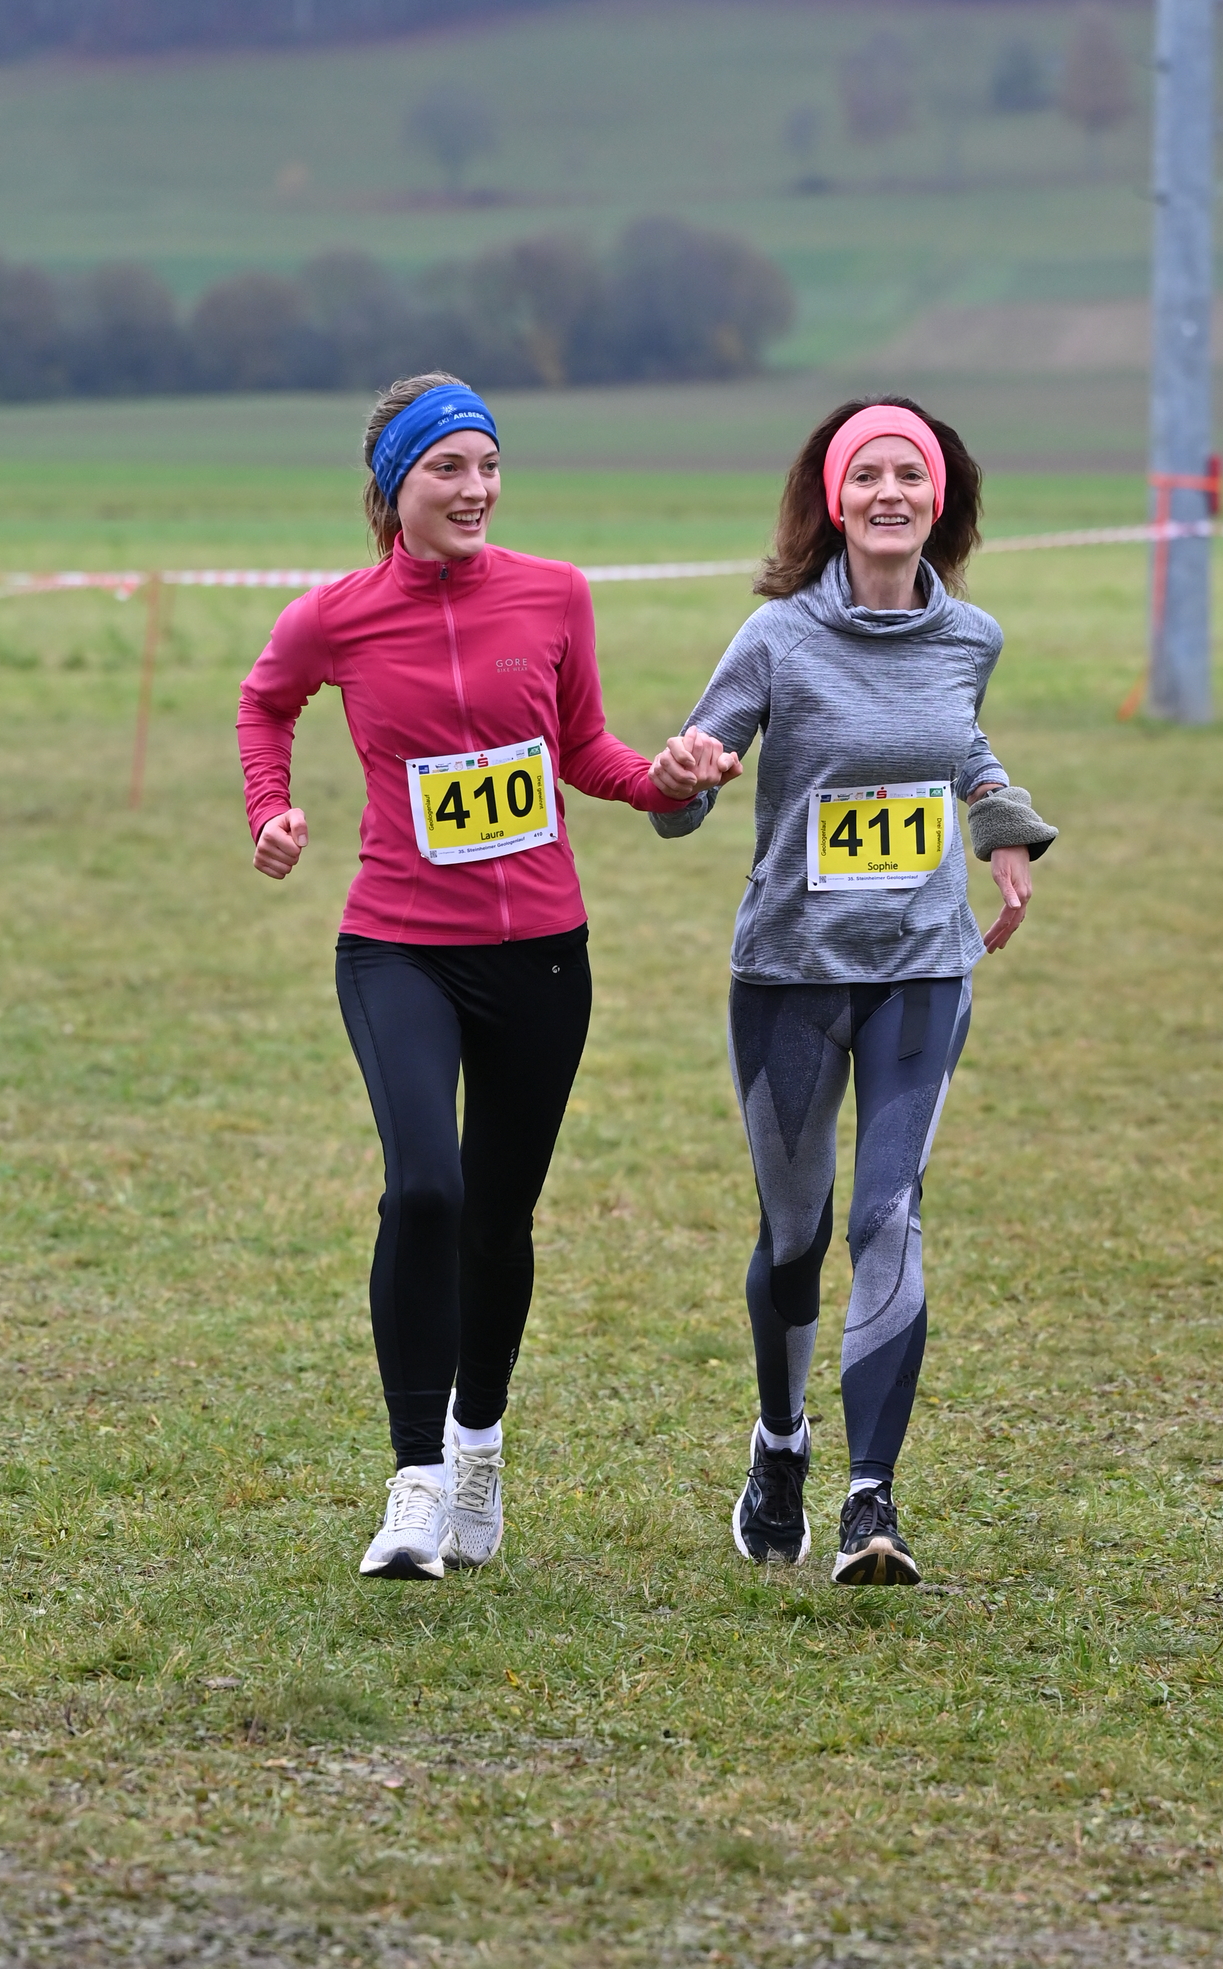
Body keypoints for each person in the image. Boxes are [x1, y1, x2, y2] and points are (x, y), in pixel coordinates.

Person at [237, 373, 732, 1580]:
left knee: (498, 1219)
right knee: (424, 1192)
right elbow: (265, 701)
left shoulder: (555, 593)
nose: (475, 490)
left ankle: (476, 1446)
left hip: (541, 954)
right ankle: (413, 1484)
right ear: (393, 486)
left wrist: (664, 782)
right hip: (398, 945)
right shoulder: (334, 617)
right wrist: (271, 809)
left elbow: (582, 749)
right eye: (447, 469)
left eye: (489, 466)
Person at [652, 397, 1056, 1586]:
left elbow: (954, 742)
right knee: (796, 1233)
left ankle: (870, 1503)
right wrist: (684, 776)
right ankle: (779, 1445)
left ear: (939, 498)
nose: (890, 493)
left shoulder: (969, 637)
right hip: (787, 974)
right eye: (867, 475)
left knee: (888, 1216)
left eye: (909, 475)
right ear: (834, 501)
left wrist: (1001, 821)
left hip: (920, 967)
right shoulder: (774, 638)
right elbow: (685, 793)